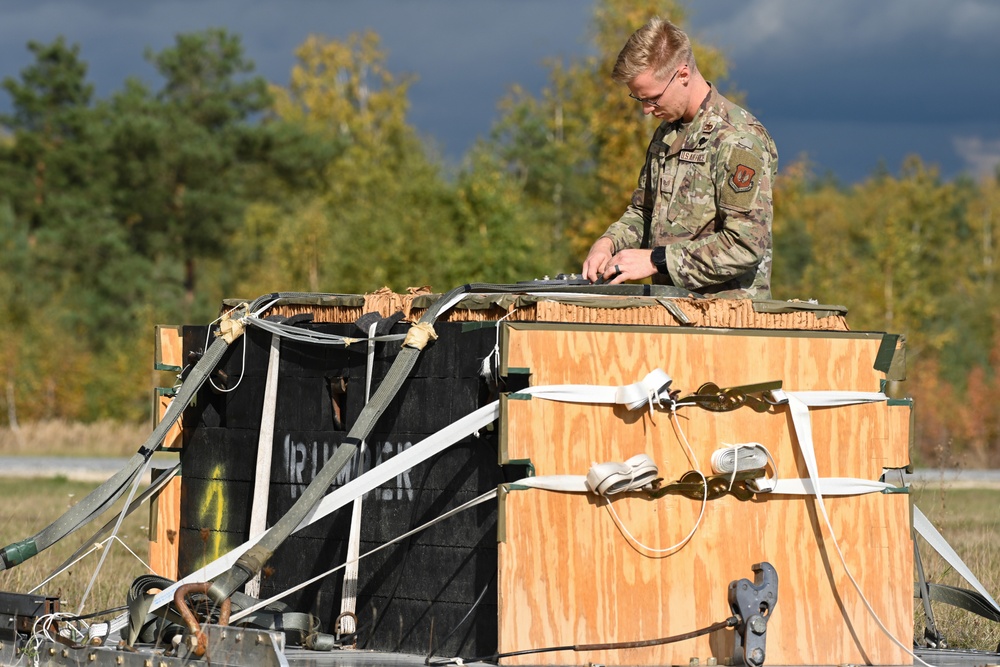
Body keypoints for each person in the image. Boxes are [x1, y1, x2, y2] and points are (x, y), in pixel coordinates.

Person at [581, 17, 778, 299]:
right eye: (639, 99)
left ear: (683, 75)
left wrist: (655, 260)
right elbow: (645, 212)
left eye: (652, 98)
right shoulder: (667, 134)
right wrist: (608, 243)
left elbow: (744, 244)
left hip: (726, 322)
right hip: (671, 313)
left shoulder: (737, 139)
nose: (646, 110)